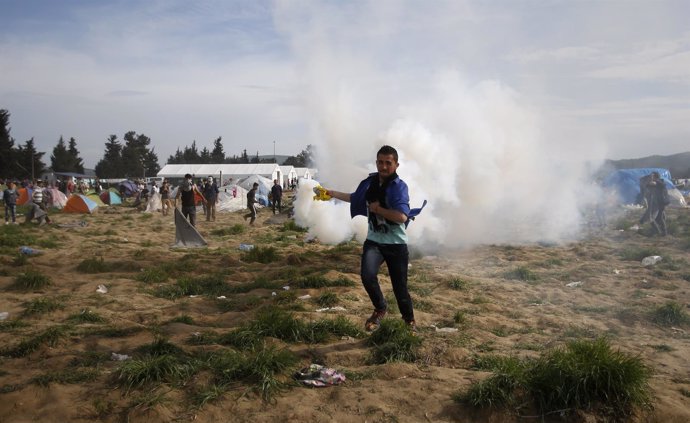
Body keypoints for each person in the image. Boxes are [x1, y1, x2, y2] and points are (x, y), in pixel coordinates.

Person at [324, 145, 421, 332]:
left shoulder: (399, 187)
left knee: (400, 287)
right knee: (367, 276)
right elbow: (355, 198)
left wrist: (378, 210)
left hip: (396, 245)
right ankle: (380, 308)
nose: (383, 167)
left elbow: (402, 216)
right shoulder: (369, 184)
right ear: (376, 162)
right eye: (380, 162)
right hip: (374, 241)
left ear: (396, 165)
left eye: (388, 163)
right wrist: (331, 193)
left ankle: (409, 320)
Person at [640, 171, 669, 236]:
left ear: (656, 177)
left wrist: (646, 181)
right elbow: (648, 187)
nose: (651, 177)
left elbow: (651, 184)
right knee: (659, 218)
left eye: (653, 176)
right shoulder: (658, 183)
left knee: (653, 218)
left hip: (660, 203)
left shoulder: (659, 182)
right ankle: (662, 232)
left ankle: (658, 231)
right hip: (659, 203)